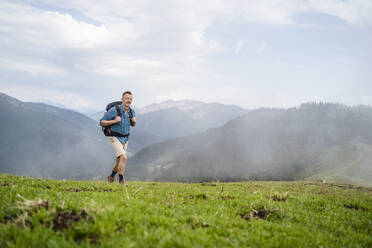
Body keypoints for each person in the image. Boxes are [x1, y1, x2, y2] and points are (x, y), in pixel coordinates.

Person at [100, 91, 136, 184]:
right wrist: (115, 121)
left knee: (119, 160)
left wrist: (134, 121)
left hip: (125, 138)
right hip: (113, 136)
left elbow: (133, 124)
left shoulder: (132, 111)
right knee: (124, 157)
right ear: (122, 99)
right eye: (127, 98)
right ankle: (121, 181)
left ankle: (111, 177)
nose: (129, 100)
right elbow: (101, 122)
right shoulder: (114, 110)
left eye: (130, 99)